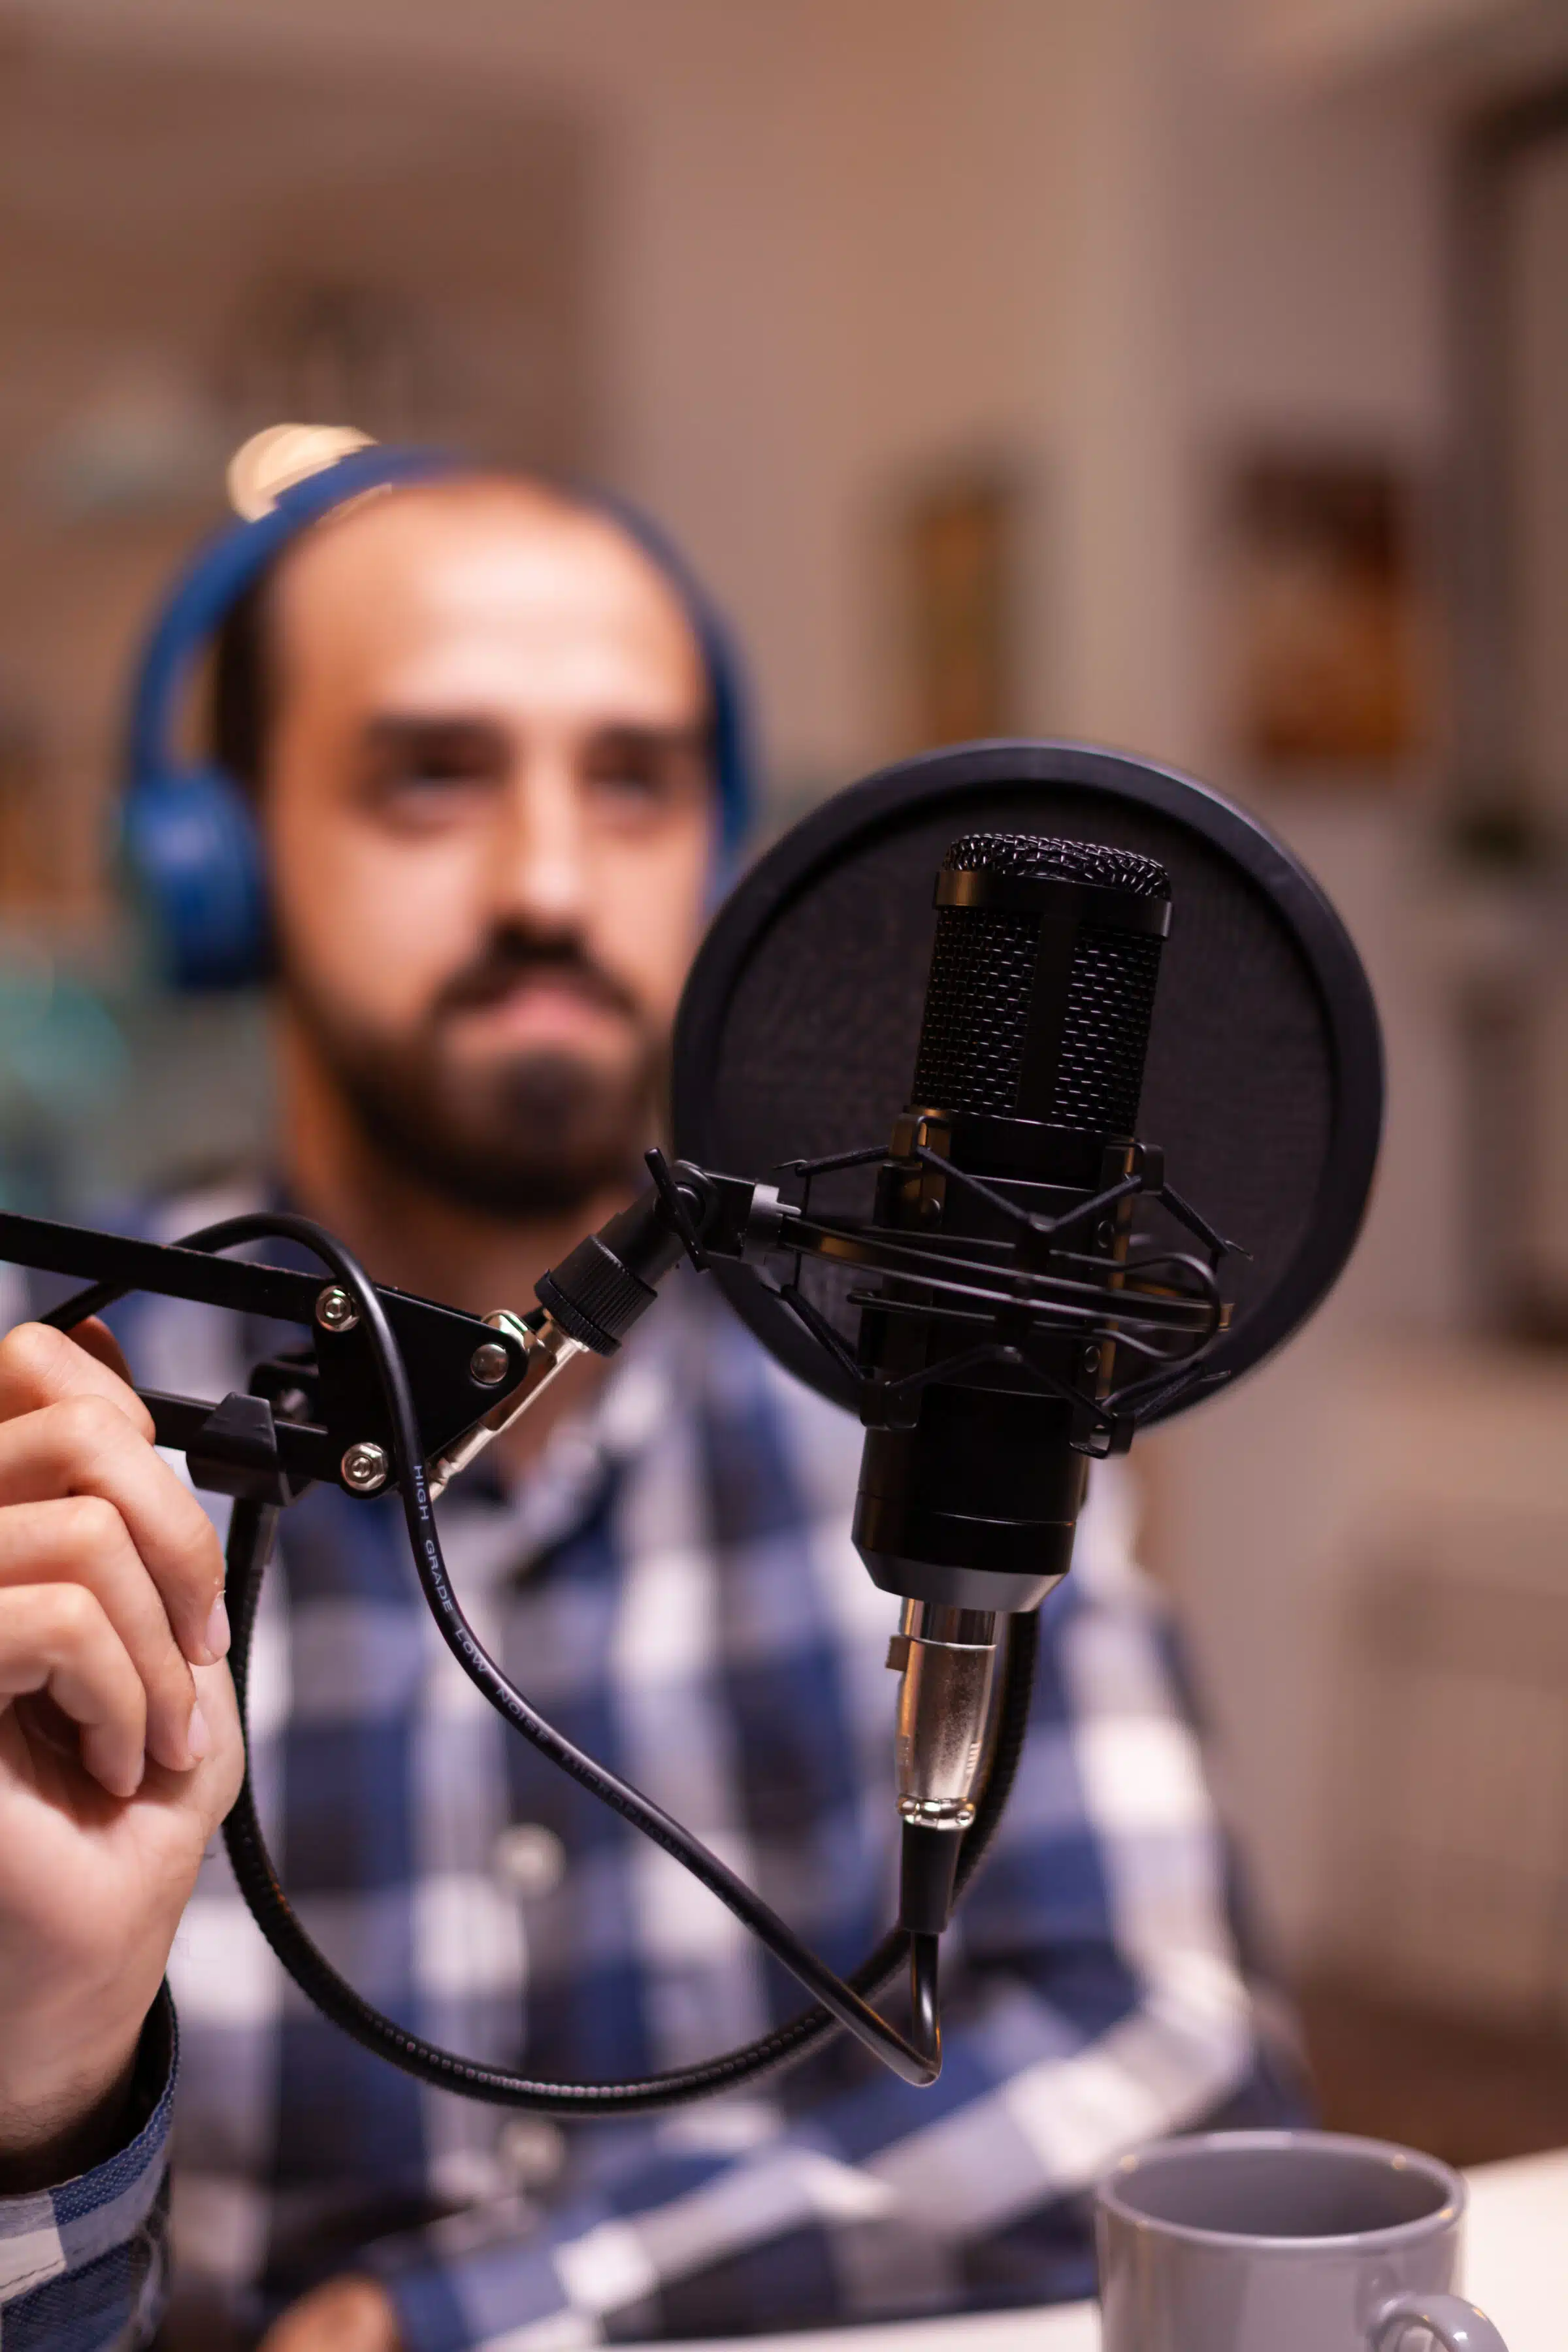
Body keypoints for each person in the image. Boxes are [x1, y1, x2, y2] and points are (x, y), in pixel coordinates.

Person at [0, 444, 1298, 2352]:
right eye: (430, 776)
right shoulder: (45, 1412)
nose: (547, 880)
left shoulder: (938, 1362)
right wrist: (38, 2093)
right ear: (221, 859)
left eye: (630, 783)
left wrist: (463, 2315)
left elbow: (1172, 2055)